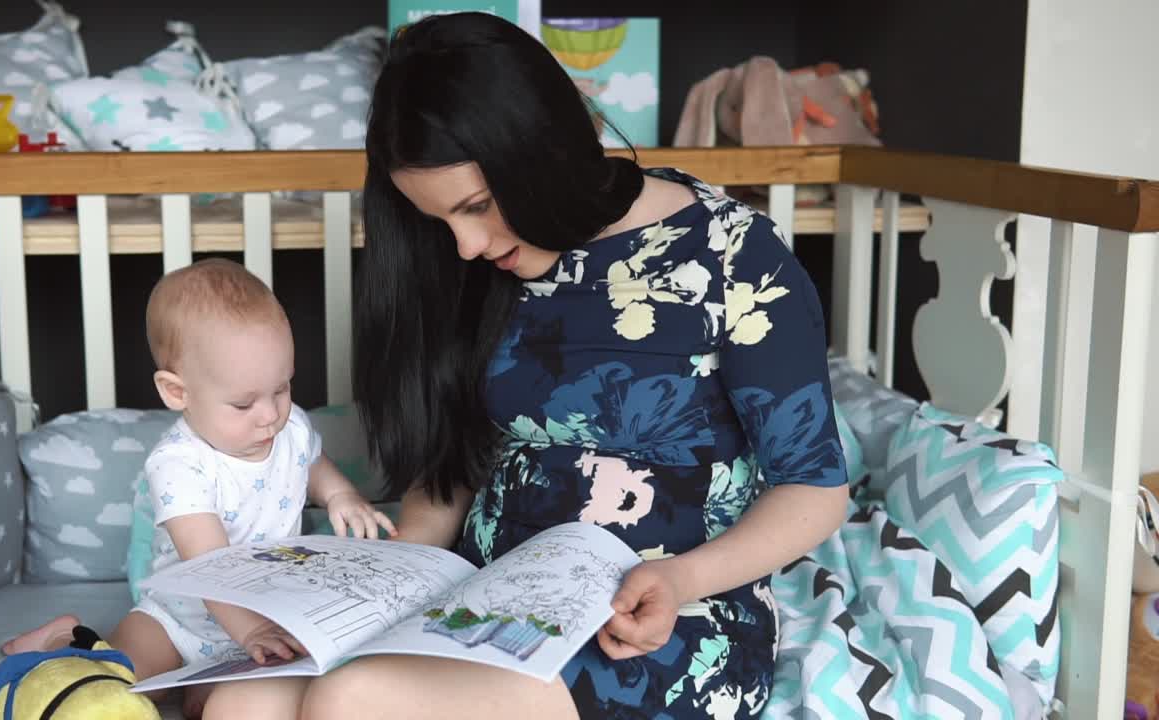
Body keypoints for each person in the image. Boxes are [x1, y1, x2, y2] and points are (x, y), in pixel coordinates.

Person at [201, 11, 849, 720]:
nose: (468, 245)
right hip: (484, 603)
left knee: (355, 699)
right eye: (441, 221)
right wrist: (383, 590)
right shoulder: (481, 266)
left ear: (539, 149)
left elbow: (813, 491)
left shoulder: (732, 257)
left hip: (654, 618)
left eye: (476, 207)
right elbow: (453, 467)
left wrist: (679, 577)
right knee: (247, 701)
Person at [2, 259, 395, 715]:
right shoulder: (179, 465)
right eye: (244, 402)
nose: (270, 414)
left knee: (215, 705)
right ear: (177, 393)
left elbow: (311, 460)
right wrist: (248, 633)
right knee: (116, 682)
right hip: (177, 618)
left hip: (266, 613)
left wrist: (340, 495)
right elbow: (211, 564)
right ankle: (61, 640)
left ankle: (202, 685)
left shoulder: (290, 428)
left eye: (282, 388)